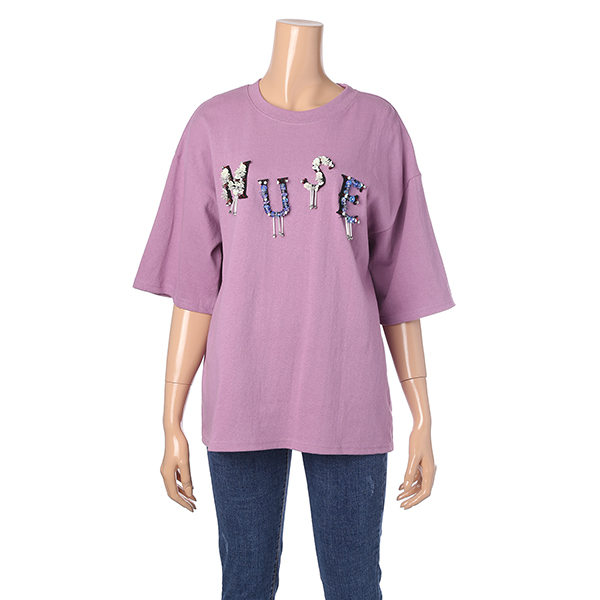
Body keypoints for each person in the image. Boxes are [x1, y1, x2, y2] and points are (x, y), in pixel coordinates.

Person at [132, 18, 455, 600]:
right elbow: (195, 287)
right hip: (241, 392)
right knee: (246, 584)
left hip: (347, 392)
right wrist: (169, 418)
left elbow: (401, 283)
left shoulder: (377, 124)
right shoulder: (214, 125)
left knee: (355, 586)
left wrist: (423, 417)